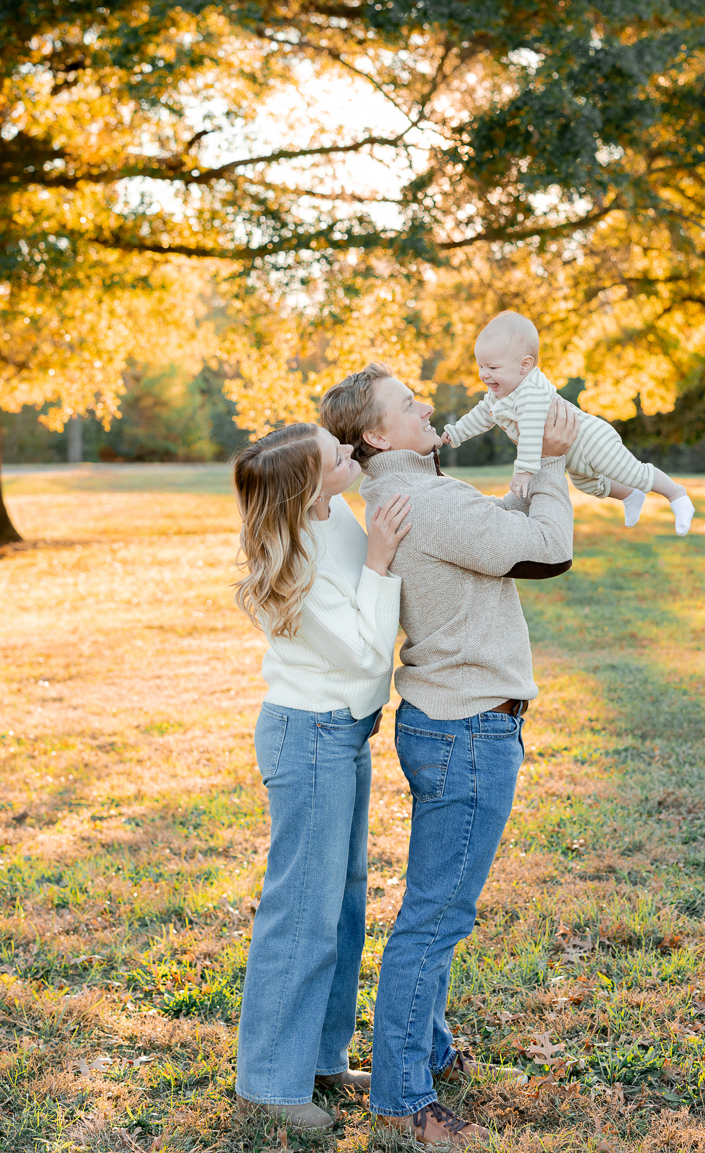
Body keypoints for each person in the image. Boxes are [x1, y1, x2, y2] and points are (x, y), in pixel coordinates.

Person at [320, 364, 578, 1148]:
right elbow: (549, 549)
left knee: (434, 908)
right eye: (407, 403)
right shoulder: (430, 502)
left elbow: (494, 525)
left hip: (448, 722)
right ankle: (403, 1097)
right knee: (435, 918)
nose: (426, 404)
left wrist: (529, 465)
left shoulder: (414, 500)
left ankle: (426, 1048)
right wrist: (559, 463)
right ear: (374, 434)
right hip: (468, 730)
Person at [231, 422, 411, 1133]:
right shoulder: (297, 563)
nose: (350, 454)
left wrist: (372, 554)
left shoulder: (335, 513)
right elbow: (369, 654)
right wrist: (382, 561)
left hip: (345, 732)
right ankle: (270, 1090)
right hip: (310, 739)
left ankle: (319, 1060)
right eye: (337, 455)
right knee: (302, 911)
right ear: (311, 486)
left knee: (340, 904)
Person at [441, 310, 696, 535]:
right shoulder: (503, 393)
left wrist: (523, 471)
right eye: (480, 366)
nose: (484, 375)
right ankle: (630, 495)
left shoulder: (531, 392)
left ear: (524, 365)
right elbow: (482, 414)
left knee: (632, 473)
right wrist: (457, 432)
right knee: (590, 485)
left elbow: (530, 434)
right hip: (569, 453)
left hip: (590, 439)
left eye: (493, 368)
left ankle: (676, 494)